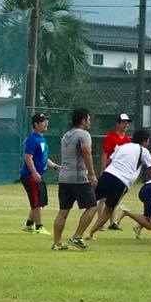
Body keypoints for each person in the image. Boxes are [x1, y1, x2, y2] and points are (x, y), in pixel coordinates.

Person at [87, 130, 151, 239]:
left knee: (91, 202)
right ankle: (90, 233)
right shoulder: (143, 151)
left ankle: (80, 231)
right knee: (108, 210)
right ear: (144, 141)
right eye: (147, 141)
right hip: (121, 181)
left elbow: (109, 160)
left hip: (107, 175)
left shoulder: (123, 146)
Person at [52, 107, 98, 251]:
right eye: (89, 118)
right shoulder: (84, 134)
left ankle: (57, 242)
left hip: (64, 178)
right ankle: (77, 237)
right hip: (78, 178)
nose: (90, 121)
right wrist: (91, 173)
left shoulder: (66, 135)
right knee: (92, 206)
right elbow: (86, 152)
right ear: (83, 120)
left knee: (63, 211)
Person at [20, 112, 59, 236]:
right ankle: (39, 227)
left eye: (46, 120)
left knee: (38, 201)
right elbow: (28, 157)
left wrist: (56, 166)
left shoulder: (42, 139)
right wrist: (34, 173)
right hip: (31, 175)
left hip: (37, 175)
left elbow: (44, 158)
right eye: (43, 121)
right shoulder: (32, 139)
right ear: (35, 124)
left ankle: (29, 225)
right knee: (37, 202)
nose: (46, 123)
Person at [100, 113, 132, 230]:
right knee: (103, 198)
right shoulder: (110, 137)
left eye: (127, 122)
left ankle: (112, 222)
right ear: (117, 123)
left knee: (115, 197)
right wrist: (103, 169)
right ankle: (100, 222)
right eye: (123, 122)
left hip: (121, 173)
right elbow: (105, 153)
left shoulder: (128, 140)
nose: (125, 124)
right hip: (110, 171)